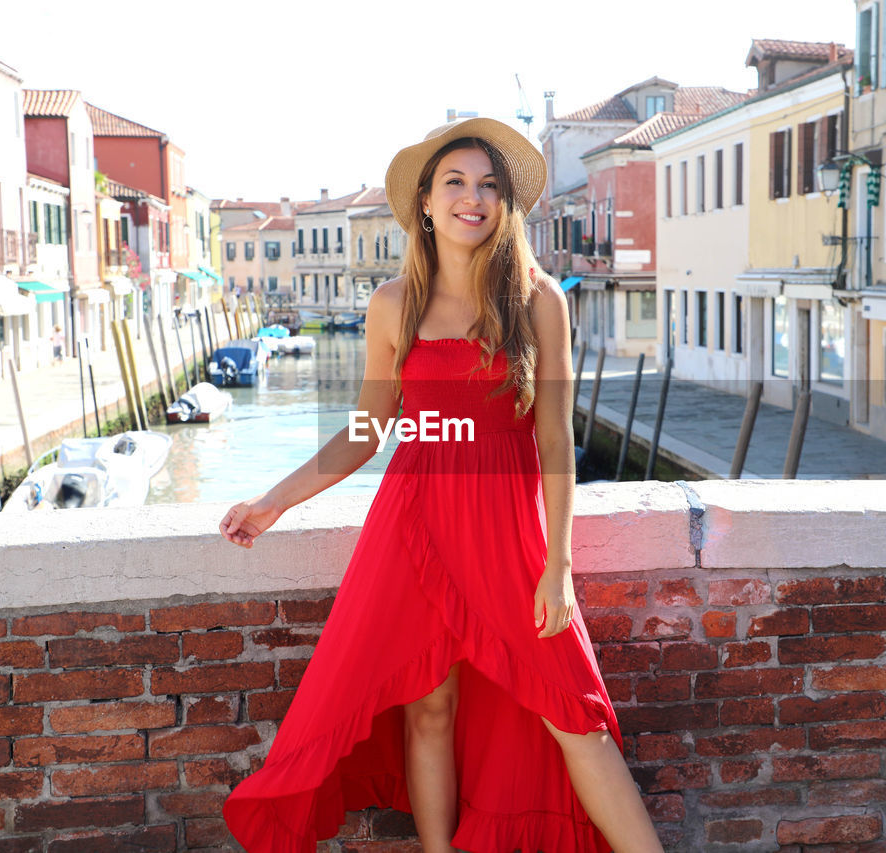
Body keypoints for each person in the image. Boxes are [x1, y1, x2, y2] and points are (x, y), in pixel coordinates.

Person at [219, 117, 663, 853]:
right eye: (455, 182)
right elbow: (367, 430)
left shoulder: (538, 299)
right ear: (425, 201)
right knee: (429, 710)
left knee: (573, 714)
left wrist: (560, 567)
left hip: (507, 536)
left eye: (488, 185)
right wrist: (274, 501)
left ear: (505, 205)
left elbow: (554, 440)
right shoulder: (394, 304)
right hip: (415, 526)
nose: (473, 197)